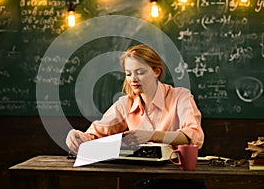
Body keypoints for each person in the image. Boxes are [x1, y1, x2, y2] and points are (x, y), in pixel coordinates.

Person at [66, 44, 204, 154]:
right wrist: (77, 137)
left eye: (140, 72)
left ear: (157, 72)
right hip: (141, 175)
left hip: (179, 175)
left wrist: (150, 135)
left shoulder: (180, 97)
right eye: (128, 74)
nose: (133, 79)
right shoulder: (125, 103)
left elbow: (194, 136)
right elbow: (95, 134)